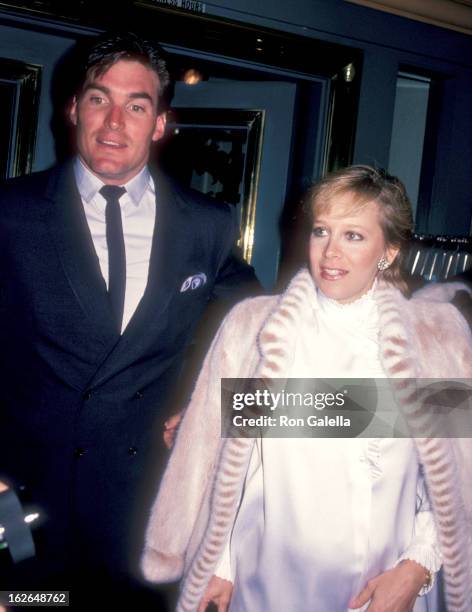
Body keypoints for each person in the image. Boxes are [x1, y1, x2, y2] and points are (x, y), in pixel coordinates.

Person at [0, 31, 257, 607]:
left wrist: (210, 403)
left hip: (147, 517)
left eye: (136, 105)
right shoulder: (10, 213)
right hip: (22, 512)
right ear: (72, 108)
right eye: (99, 99)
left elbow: (258, 333)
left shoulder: (206, 224)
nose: (115, 122)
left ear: (160, 123)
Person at [141, 166, 472, 611]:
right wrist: (220, 563)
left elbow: (457, 477)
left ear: (388, 251)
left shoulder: (437, 336)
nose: (330, 252)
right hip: (267, 582)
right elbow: (225, 465)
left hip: (386, 587)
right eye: (322, 231)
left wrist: (418, 566)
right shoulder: (253, 327)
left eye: (353, 235)